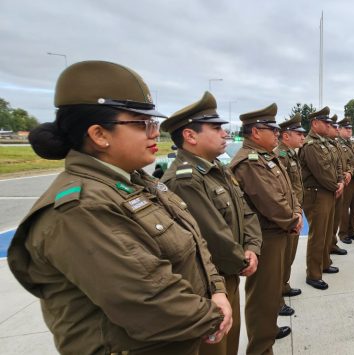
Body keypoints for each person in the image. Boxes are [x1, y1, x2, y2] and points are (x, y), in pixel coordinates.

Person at [7, 60, 232, 354]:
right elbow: (146, 300)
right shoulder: (80, 208)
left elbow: (194, 241)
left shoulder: (137, 181)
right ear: (99, 135)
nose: (155, 133)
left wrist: (216, 289)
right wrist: (214, 315)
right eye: (142, 124)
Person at [160, 91, 262, 355]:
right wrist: (241, 260)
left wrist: (252, 247)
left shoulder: (217, 168)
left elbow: (246, 211)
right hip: (209, 282)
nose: (224, 134)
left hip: (231, 271)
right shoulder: (186, 179)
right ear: (190, 136)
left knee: (231, 342)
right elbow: (212, 235)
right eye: (215, 128)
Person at [230, 103, 302, 352]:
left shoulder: (266, 156)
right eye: (272, 129)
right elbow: (270, 201)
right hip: (266, 236)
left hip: (277, 232)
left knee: (271, 295)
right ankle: (260, 347)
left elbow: (287, 191)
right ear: (256, 132)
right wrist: (293, 220)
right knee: (263, 297)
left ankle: (267, 332)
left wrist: (296, 213)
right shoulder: (249, 161)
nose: (277, 134)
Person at [299, 106, 344, 290]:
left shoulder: (324, 143)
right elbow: (322, 173)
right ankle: (313, 273)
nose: (328, 126)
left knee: (326, 232)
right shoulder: (311, 145)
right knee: (318, 235)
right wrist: (336, 185)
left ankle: (324, 263)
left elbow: (335, 166)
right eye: (325, 123)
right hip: (317, 193)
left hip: (329, 192)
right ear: (315, 124)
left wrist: (340, 181)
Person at [274, 114, 306, 316]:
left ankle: (284, 286)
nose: (303, 137)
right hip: (287, 216)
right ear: (286, 136)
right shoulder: (280, 155)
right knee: (281, 259)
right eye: (298, 134)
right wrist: (292, 214)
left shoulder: (292, 154)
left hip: (295, 211)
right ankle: (276, 300)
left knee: (290, 256)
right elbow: (281, 190)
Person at [328, 114, 351, 254]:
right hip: (331, 187)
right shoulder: (323, 145)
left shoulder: (335, 144)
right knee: (327, 225)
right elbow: (325, 170)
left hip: (340, 183)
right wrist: (339, 183)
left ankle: (332, 245)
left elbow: (345, 162)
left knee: (335, 221)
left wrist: (347, 172)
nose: (336, 129)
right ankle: (326, 250)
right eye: (334, 126)